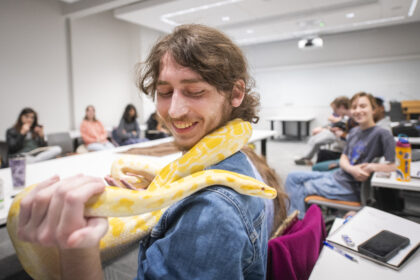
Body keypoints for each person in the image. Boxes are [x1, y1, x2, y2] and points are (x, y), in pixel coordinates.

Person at [17, 24, 288, 279]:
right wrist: (160, 196)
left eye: (194, 91)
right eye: (165, 91)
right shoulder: (239, 157)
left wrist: (77, 247)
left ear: (236, 93)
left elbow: (214, 211)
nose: (174, 111)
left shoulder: (210, 214)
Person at [286, 92, 397, 219]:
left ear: (373, 109)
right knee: (292, 177)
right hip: (339, 175)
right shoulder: (355, 131)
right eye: (354, 107)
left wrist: (372, 167)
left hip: (349, 187)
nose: (357, 110)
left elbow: (394, 166)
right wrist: (351, 169)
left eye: (363, 106)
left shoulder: (383, 134)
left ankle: (299, 227)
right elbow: (344, 157)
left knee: (300, 189)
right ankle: (301, 221)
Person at [295, 96, 351, 165]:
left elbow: (341, 126)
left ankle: (307, 158)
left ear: (342, 107)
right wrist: (323, 128)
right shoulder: (343, 115)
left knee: (317, 141)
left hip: (338, 135)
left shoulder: (349, 116)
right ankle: (305, 157)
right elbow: (334, 122)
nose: (334, 112)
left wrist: (327, 128)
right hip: (334, 132)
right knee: (313, 138)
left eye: (335, 110)